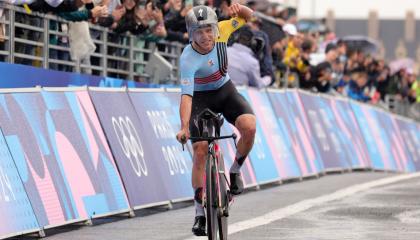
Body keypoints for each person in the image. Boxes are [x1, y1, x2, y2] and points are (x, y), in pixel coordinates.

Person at [175, 3, 255, 236]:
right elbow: (187, 97)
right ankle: (200, 212)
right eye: (199, 32)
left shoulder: (223, 29)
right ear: (191, 34)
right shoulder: (187, 58)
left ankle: (235, 170)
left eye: (209, 29)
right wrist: (183, 127)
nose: (206, 36)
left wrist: (242, 9)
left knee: (249, 127)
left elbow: (250, 18)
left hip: (225, 91)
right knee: (200, 149)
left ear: (215, 28)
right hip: (199, 98)